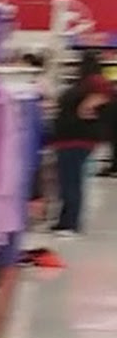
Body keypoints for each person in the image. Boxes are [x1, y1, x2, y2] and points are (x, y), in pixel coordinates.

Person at [50, 49, 110, 239]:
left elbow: (103, 95)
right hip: (70, 139)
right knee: (67, 181)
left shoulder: (94, 81)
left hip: (76, 139)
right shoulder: (86, 83)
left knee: (71, 182)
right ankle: (64, 221)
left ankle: (71, 224)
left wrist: (86, 107)